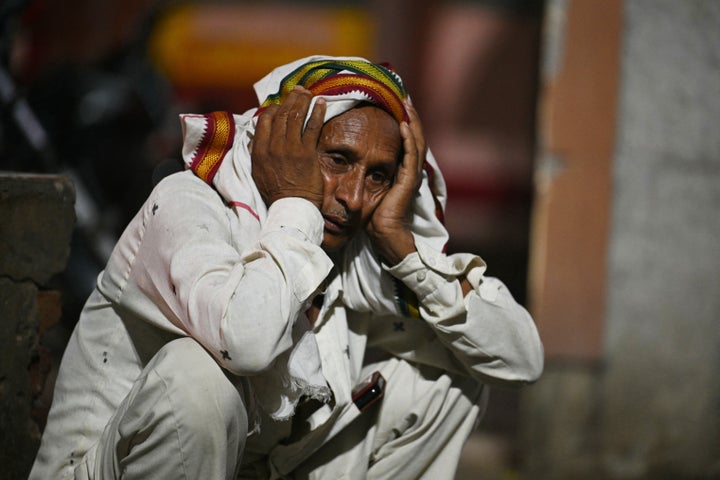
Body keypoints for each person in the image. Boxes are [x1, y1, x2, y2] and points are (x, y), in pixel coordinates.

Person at [30, 55, 543, 480]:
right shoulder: (190, 204)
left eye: (378, 176)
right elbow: (247, 341)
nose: (354, 197)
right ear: (280, 146)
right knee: (198, 380)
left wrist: (404, 249)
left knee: (446, 379)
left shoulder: (356, 255)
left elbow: (519, 359)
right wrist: (295, 202)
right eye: (337, 159)